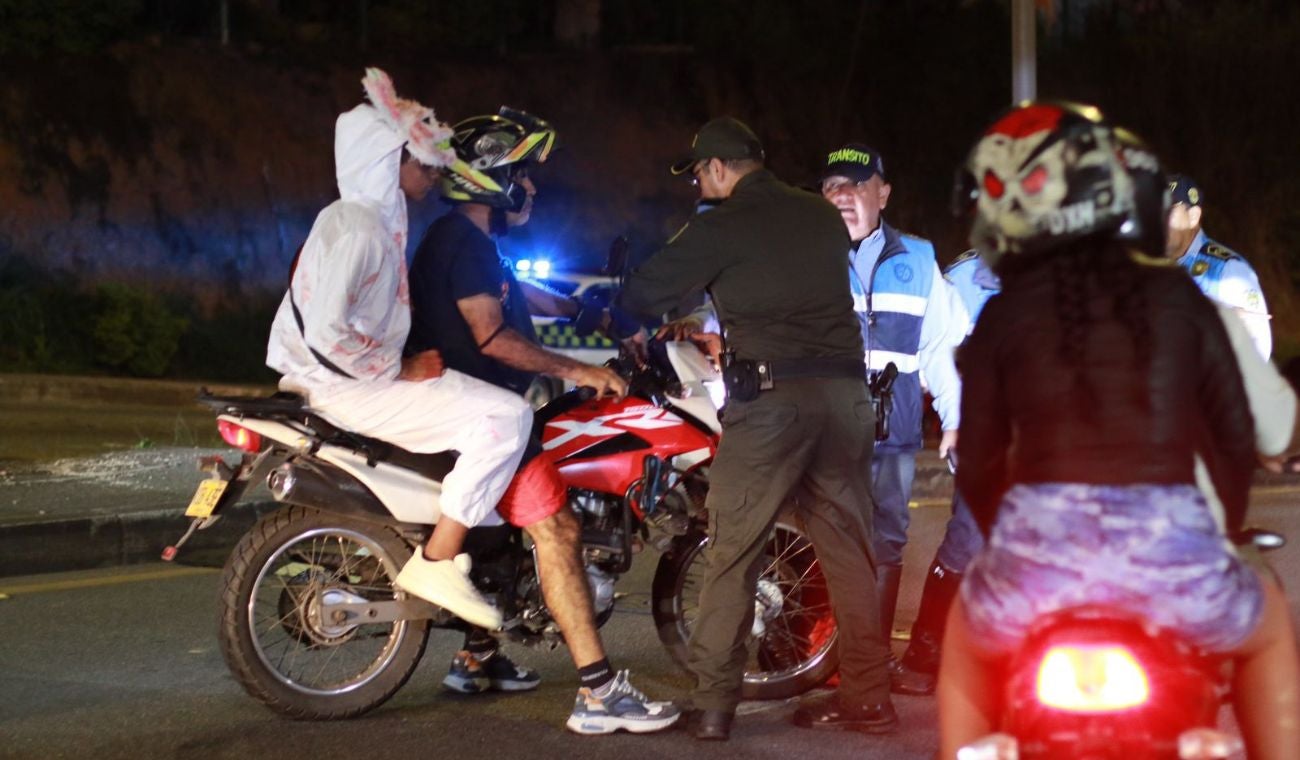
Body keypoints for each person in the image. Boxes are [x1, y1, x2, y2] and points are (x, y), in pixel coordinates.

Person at [937, 101, 1300, 759]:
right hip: (1175, 556)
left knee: (963, 631)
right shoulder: (1182, 297)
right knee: (1270, 619)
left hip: (1036, 557)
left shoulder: (1004, 313)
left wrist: (1014, 540)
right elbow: (1243, 434)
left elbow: (980, 461)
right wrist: (1222, 519)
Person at [617, 116, 896, 741]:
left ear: (718, 168)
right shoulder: (820, 215)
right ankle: (869, 700)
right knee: (850, 552)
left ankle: (714, 705)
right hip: (847, 399)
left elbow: (645, 292)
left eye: (698, 173)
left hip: (771, 405)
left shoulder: (722, 223)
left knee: (733, 550)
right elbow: (782, 278)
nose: (697, 185)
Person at [405, 108, 677, 736]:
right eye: (523, 172)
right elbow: (492, 335)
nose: (532, 186)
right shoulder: (461, 241)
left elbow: (518, 296)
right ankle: (600, 692)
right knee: (557, 530)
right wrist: (580, 371)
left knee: (504, 525)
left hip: (480, 408)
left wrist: (594, 315)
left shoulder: (469, 242)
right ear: (491, 176)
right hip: (476, 412)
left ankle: (477, 655)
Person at [265, 68, 526, 632]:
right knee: (508, 414)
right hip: (349, 384)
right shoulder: (359, 227)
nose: (433, 174)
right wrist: (399, 366)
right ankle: (438, 559)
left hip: (347, 379)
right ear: (388, 162)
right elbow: (327, 331)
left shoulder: (372, 220)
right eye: (422, 163)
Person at [818, 144, 969, 650]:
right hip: (823, 427)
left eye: (856, 185)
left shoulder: (920, 259)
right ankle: (806, 648)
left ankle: (868, 659)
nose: (842, 195)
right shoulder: (804, 257)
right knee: (820, 537)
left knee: (885, 540)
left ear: (882, 192)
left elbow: (940, 349)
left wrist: (955, 422)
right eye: (831, 185)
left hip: (893, 431)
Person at [890, 248, 997, 697]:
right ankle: (927, 648)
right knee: (969, 541)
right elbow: (934, 352)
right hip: (987, 432)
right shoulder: (962, 276)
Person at [1165, 174, 1272, 359]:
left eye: (1169, 212)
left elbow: (1258, 352)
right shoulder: (1153, 266)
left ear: (1193, 217)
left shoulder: (1228, 270)